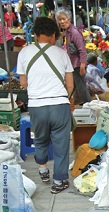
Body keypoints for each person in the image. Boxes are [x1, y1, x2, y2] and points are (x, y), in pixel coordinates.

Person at [17, 17, 74, 194]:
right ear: (53, 35)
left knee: (40, 138)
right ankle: (59, 180)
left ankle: (42, 169)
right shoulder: (62, 53)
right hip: (59, 104)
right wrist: (68, 98)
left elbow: (23, 83)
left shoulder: (24, 53)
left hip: (36, 106)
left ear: (35, 34)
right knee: (61, 144)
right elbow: (70, 84)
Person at [56, 7, 91, 105]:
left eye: (64, 18)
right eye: (60, 19)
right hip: (72, 64)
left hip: (78, 65)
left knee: (81, 87)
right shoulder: (67, 32)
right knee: (74, 86)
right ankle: (68, 103)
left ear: (69, 19)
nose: (62, 21)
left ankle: (90, 105)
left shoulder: (74, 32)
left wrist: (82, 65)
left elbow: (82, 49)